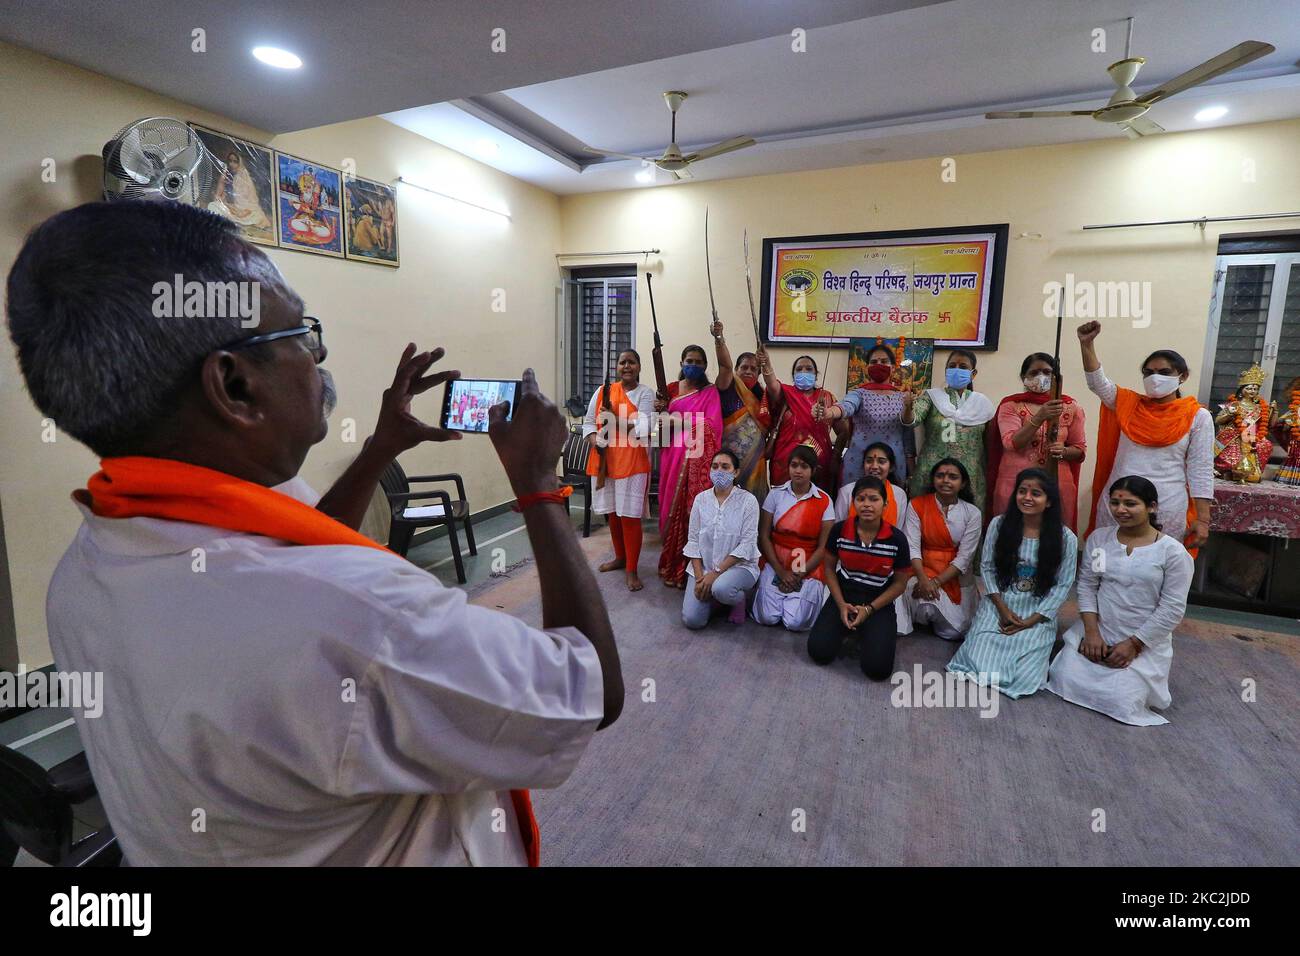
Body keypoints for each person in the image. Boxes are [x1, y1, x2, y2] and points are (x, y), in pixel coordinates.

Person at [5, 200, 623, 866]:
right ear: (235, 386)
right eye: (300, 335)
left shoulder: (90, 566)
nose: (319, 358)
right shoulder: (362, 617)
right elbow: (586, 687)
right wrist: (538, 484)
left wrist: (381, 445)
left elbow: (300, 546)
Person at [1046, 476, 1195, 725]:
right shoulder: (1101, 540)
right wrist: (1092, 633)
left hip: (1143, 637)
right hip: (1099, 630)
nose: (1120, 510)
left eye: (1130, 503)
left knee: (1122, 701)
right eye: (1115, 503)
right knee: (1063, 679)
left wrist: (1134, 644)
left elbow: (1172, 608)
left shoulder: (1173, 553)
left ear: (1152, 507)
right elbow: (1088, 586)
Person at [1078, 322, 1214, 552]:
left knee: (1155, 568)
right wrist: (1087, 344)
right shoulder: (1129, 405)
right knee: (1106, 563)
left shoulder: (1197, 416)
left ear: (1183, 376)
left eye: (1164, 372)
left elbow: (1200, 470)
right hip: (1118, 502)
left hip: (1165, 506)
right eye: (1149, 373)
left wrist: (1202, 520)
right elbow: (1096, 383)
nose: (1155, 378)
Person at [946, 468, 1077, 698]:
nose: (1027, 498)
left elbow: (1063, 585)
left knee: (1026, 676)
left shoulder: (1066, 538)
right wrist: (1002, 609)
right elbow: (986, 568)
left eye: (1036, 493)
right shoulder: (999, 524)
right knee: (973, 659)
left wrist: (1030, 621)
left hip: (1037, 610)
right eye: (1022, 491)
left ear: (1048, 502)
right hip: (1000, 603)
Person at [807, 476, 912, 681]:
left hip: (878, 600)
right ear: (853, 502)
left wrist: (869, 610)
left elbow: (900, 583)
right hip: (845, 592)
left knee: (877, 670)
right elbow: (829, 569)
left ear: (885, 504)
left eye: (874, 499)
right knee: (818, 652)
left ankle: (865, 631)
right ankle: (852, 627)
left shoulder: (897, 539)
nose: (866, 504)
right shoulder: (839, 530)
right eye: (861, 499)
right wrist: (841, 605)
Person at [988, 352, 1087, 530]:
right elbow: (1011, 443)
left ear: (1056, 377)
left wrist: (1064, 451)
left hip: (1057, 482)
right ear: (1023, 377)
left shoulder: (1071, 407)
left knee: (1054, 536)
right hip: (1015, 483)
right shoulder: (1010, 405)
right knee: (1010, 533)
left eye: (1047, 372)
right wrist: (1040, 416)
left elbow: (1080, 450)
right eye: (1034, 373)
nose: (1041, 377)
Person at [583, 348, 655, 591]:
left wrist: (614, 418)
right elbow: (588, 423)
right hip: (605, 461)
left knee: (630, 516)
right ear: (617, 367)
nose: (627, 366)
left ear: (639, 367)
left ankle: (632, 570)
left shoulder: (645, 393)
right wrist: (595, 442)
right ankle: (620, 558)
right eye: (623, 362)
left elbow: (643, 428)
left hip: (633, 463)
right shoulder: (602, 392)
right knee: (613, 513)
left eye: (632, 362)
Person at [655, 343, 723, 588]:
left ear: (705, 366)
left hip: (694, 461)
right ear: (681, 363)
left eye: (698, 362)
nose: (693, 365)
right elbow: (661, 428)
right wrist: (662, 415)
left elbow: (712, 425)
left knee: (690, 512)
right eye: (689, 361)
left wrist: (678, 421)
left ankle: (689, 568)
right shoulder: (671, 390)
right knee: (668, 508)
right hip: (671, 457)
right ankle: (671, 563)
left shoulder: (710, 392)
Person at [897, 458, 982, 641]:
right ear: (933, 479)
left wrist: (934, 583)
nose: (946, 481)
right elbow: (912, 546)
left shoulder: (972, 513)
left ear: (963, 483)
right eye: (940, 476)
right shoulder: (917, 505)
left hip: (955, 575)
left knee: (956, 632)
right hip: (921, 569)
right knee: (925, 605)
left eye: (953, 477)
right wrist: (923, 579)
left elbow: (964, 558)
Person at [754, 445, 836, 631]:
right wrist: (781, 572)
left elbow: (824, 547)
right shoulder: (775, 495)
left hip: (808, 565)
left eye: (804, 466)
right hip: (777, 561)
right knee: (768, 617)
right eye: (794, 465)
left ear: (813, 471)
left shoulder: (824, 500)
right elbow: (764, 536)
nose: (798, 470)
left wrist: (799, 574)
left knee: (795, 622)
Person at [903, 349, 995, 511]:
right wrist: (908, 407)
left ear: (973, 374)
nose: (957, 369)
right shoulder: (931, 397)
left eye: (963, 366)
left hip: (970, 477)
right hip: (931, 474)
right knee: (926, 523)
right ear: (946, 370)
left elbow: (990, 443)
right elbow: (911, 421)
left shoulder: (982, 404)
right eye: (952, 366)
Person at [815, 342, 916, 485]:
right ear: (867, 367)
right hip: (858, 464)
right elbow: (846, 406)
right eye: (874, 362)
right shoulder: (859, 394)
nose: (878, 364)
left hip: (893, 466)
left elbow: (908, 436)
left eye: (884, 361)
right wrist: (828, 412)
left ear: (893, 368)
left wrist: (912, 473)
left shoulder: (904, 398)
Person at [681, 449, 761, 629]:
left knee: (721, 589)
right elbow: (693, 541)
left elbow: (747, 545)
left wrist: (715, 574)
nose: (719, 471)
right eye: (715, 466)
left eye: (725, 467)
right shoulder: (701, 500)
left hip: (739, 567)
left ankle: (737, 600)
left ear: (736, 472)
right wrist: (701, 577)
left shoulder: (748, 501)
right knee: (693, 621)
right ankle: (717, 600)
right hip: (704, 568)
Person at [710, 319, 772, 503]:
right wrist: (719, 338)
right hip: (729, 464)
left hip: (755, 466)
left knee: (753, 505)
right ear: (736, 370)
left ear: (759, 373)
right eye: (744, 367)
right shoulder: (727, 387)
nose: (749, 371)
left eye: (754, 369)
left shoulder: (764, 396)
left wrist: (766, 361)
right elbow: (724, 365)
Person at [765, 354, 841, 490]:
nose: (804, 372)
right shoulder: (784, 394)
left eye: (808, 369)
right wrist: (766, 364)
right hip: (785, 467)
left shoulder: (827, 398)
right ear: (793, 375)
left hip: (819, 467)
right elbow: (771, 383)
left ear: (816, 375)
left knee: (816, 506)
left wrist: (836, 457)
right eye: (799, 369)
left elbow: (844, 431)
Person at [834, 441, 908, 528]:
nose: (874, 466)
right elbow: (838, 529)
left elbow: (899, 531)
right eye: (869, 461)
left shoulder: (899, 495)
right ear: (863, 465)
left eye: (881, 462)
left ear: (891, 467)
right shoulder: (846, 492)